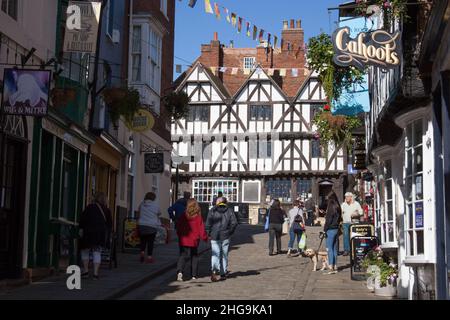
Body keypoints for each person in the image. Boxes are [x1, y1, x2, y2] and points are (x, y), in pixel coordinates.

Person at [79, 192, 113, 280]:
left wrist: (81, 229)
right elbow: (109, 224)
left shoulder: (89, 207)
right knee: (97, 252)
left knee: (85, 251)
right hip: (100, 234)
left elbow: (82, 220)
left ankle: (86, 271)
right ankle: (95, 273)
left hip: (88, 232)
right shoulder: (107, 210)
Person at [205, 197, 238, 282]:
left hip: (214, 235)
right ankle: (223, 273)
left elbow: (208, 223)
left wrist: (208, 233)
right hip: (225, 236)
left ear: (219, 202)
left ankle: (214, 271)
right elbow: (234, 223)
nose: (215, 202)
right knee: (224, 254)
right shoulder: (229, 210)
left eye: (216, 201)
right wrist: (229, 232)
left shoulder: (212, 210)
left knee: (215, 254)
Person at [176, 199, 208, 281]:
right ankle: (193, 275)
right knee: (194, 256)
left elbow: (178, 226)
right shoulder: (198, 217)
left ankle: (180, 272)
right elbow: (201, 230)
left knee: (182, 255)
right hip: (194, 240)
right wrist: (205, 238)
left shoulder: (183, 215)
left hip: (184, 239)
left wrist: (179, 235)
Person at [137, 192, 162, 264]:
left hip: (142, 225)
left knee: (143, 240)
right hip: (151, 226)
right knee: (150, 242)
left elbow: (138, 213)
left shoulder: (142, 204)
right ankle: (149, 257)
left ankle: (142, 252)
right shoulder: (155, 205)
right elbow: (159, 213)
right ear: (153, 198)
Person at [323, 191, 342, 274]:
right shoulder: (338, 207)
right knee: (334, 249)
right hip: (336, 229)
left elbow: (328, 220)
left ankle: (330, 266)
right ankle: (335, 266)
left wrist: (324, 229)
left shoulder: (331, 207)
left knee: (329, 248)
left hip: (330, 229)